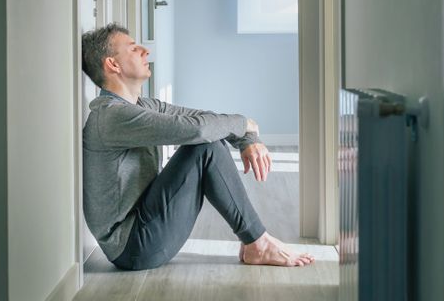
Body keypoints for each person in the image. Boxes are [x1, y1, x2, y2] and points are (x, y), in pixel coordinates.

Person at [81, 23, 314, 270]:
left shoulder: (142, 106)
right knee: (205, 147)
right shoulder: (111, 116)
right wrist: (247, 123)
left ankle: (255, 241)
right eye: (133, 48)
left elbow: (205, 119)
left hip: (145, 228)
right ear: (113, 65)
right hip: (133, 247)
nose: (145, 51)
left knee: (207, 139)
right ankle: (258, 242)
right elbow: (199, 130)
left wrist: (248, 137)